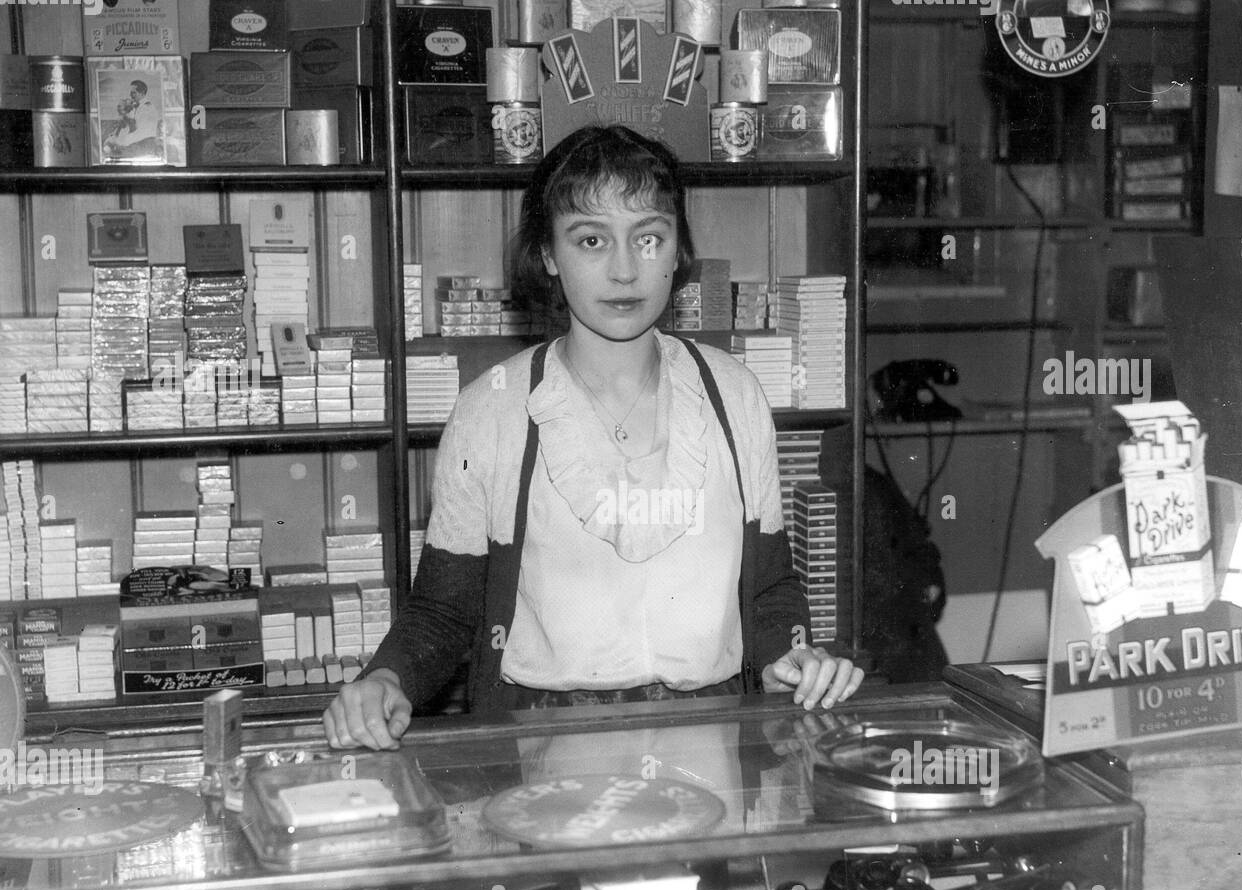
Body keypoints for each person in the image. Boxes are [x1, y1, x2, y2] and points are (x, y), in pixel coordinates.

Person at [324, 125, 864, 750]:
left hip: (713, 736)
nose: (625, 269)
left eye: (649, 238)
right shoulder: (491, 411)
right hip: (543, 742)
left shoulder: (735, 396)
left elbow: (770, 590)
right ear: (548, 255)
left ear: (676, 251)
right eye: (591, 240)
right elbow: (443, 611)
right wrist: (386, 680)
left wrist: (791, 660)